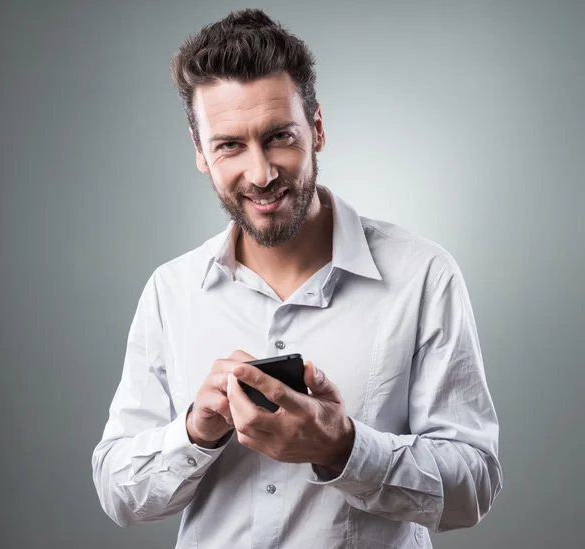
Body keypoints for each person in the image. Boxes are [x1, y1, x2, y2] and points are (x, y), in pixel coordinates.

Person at [91, 8, 503, 549]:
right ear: (200, 153)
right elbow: (118, 492)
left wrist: (343, 446)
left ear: (317, 129)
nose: (260, 174)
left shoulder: (423, 276)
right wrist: (196, 430)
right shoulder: (170, 292)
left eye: (279, 136)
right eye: (229, 145)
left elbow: (472, 488)